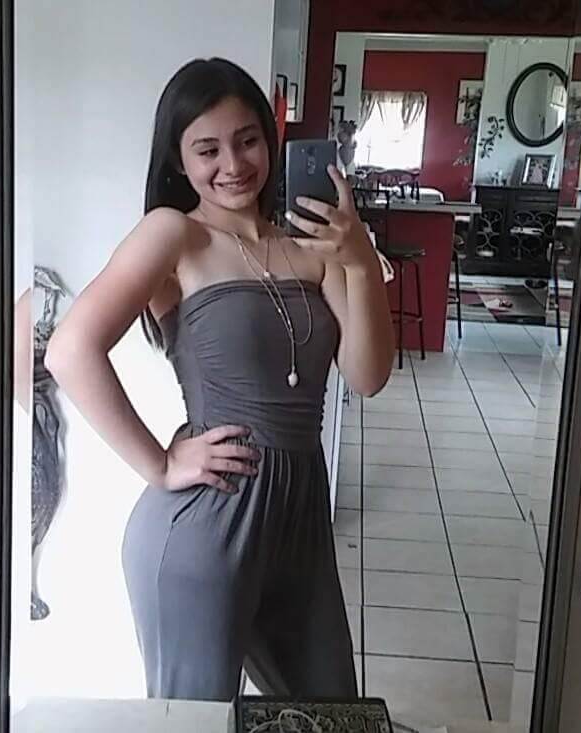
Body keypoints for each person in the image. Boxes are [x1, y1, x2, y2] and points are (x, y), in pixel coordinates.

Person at [44, 58, 394, 702]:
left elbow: (368, 376)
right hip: (209, 524)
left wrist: (361, 262)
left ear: (270, 139)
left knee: (333, 713)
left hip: (301, 523)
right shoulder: (174, 235)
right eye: (207, 149)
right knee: (195, 720)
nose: (233, 164)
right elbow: (69, 349)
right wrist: (159, 464)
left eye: (247, 140)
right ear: (179, 162)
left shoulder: (314, 248)